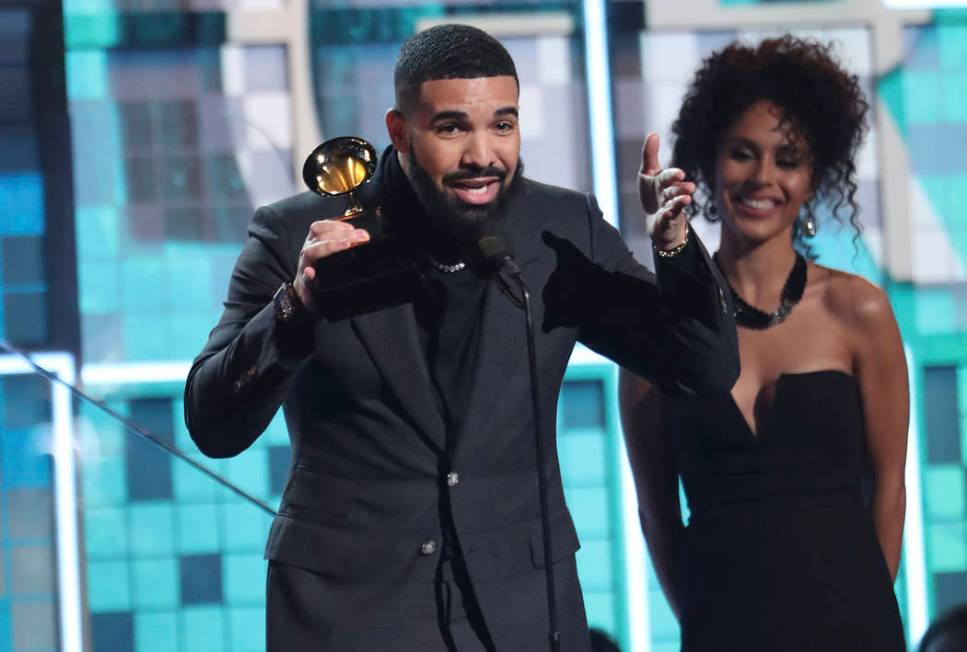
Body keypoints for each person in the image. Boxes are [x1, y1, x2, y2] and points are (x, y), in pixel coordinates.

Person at [185, 24, 738, 651]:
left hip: (524, 612)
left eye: (503, 124)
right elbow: (213, 423)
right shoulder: (297, 235)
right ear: (399, 131)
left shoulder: (558, 229)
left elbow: (703, 366)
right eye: (452, 128)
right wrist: (295, 308)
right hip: (350, 614)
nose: (483, 154)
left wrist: (675, 249)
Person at [619, 36, 908, 650]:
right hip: (722, 629)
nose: (763, 177)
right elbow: (656, 517)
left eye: (787, 158)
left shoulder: (858, 311)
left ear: (814, 177)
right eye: (743, 154)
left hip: (855, 628)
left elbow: (889, 486)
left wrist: (866, 613)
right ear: (707, 162)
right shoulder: (658, 329)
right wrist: (703, 618)